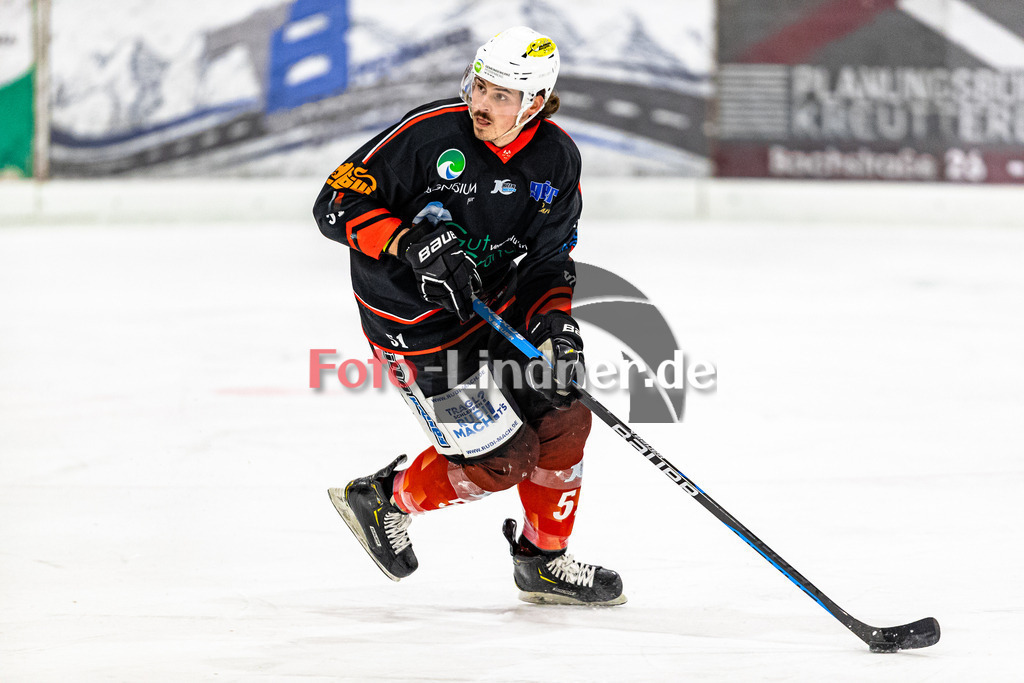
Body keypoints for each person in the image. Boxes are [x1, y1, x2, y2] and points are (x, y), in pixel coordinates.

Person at [313, 26, 624, 605]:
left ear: (536, 102)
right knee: (503, 460)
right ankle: (383, 500)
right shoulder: (429, 134)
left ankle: (542, 562)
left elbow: (549, 262)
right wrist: (409, 243)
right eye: (479, 86)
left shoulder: (556, 160)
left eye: (501, 95)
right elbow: (334, 204)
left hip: (494, 312)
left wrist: (557, 329)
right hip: (415, 331)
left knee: (564, 416)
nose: (481, 103)